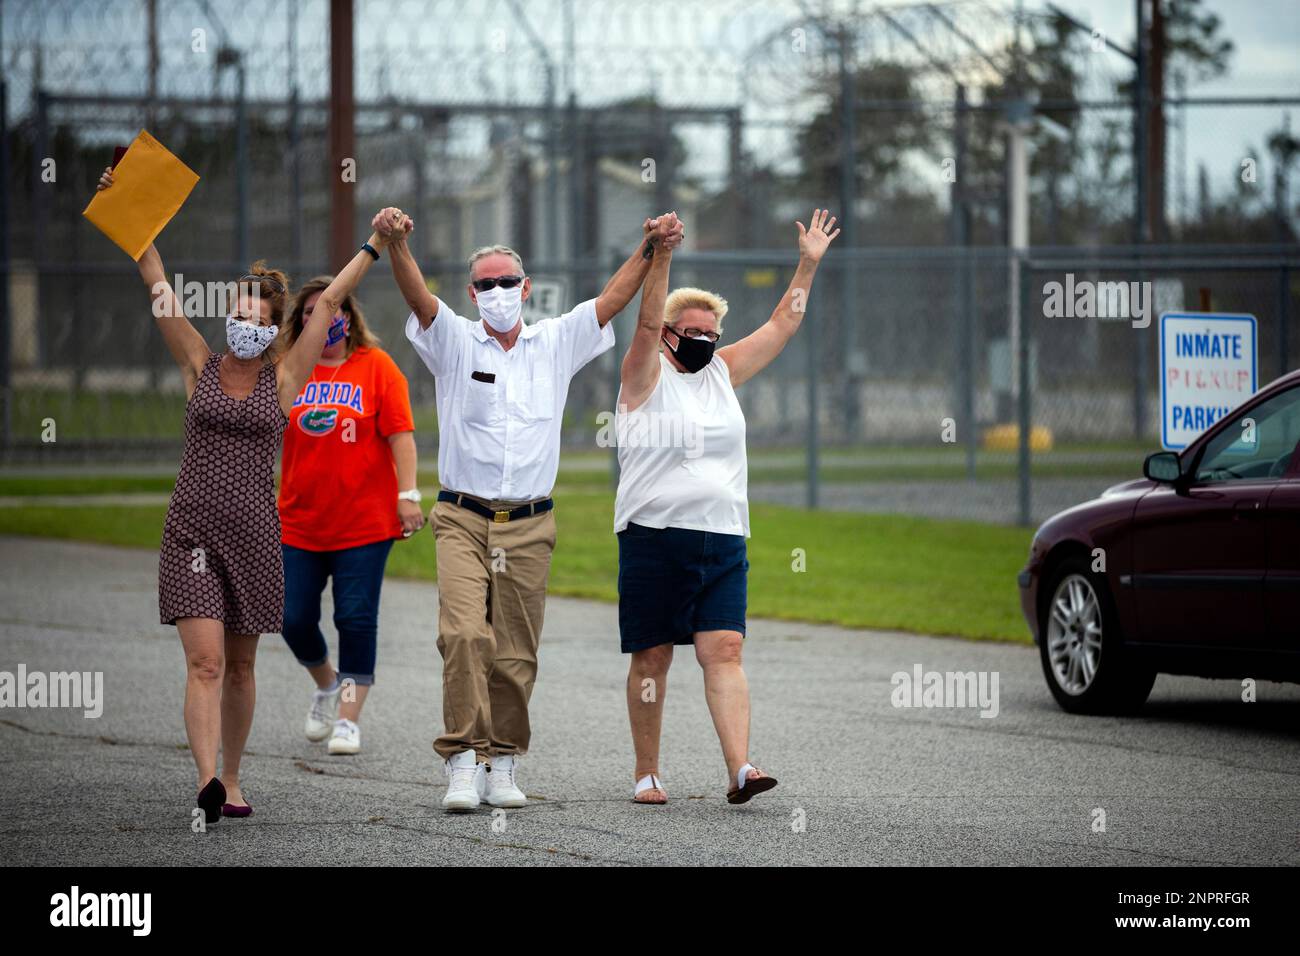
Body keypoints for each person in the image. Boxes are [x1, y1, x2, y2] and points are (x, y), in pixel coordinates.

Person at [98, 166, 402, 824]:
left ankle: (233, 778)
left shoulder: (285, 376)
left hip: (256, 536)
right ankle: (206, 779)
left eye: (256, 317)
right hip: (192, 533)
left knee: (239, 668)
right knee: (204, 661)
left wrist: (372, 246)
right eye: (236, 311)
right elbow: (157, 284)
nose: (244, 324)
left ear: (272, 327)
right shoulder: (197, 363)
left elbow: (326, 304)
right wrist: (128, 206)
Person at [374, 205, 684, 812]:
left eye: (506, 282)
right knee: (464, 635)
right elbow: (419, 301)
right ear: (472, 292)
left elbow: (612, 300)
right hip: (463, 516)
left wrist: (650, 247)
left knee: (515, 653)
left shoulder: (555, 341)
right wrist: (395, 246)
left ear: (526, 288)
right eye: (485, 284)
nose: (496, 292)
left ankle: (503, 761)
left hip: (529, 522)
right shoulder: (455, 340)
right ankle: (463, 761)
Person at [614, 208, 840, 806]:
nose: (706, 343)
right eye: (693, 333)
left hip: (722, 537)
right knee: (653, 656)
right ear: (668, 333)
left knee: (726, 649)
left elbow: (780, 327)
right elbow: (640, 325)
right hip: (652, 535)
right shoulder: (643, 373)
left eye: (712, 334)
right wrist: (660, 255)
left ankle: (741, 769)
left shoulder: (719, 371)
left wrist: (807, 265)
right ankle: (647, 772)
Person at [277, 274, 422, 756]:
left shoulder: (376, 367)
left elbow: (401, 435)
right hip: (300, 521)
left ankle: (347, 717)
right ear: (300, 321)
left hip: (364, 522)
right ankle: (326, 684)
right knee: (291, 616)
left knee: (355, 617)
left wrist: (409, 494)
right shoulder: (287, 370)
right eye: (313, 310)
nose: (325, 316)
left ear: (348, 315)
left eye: (333, 307)